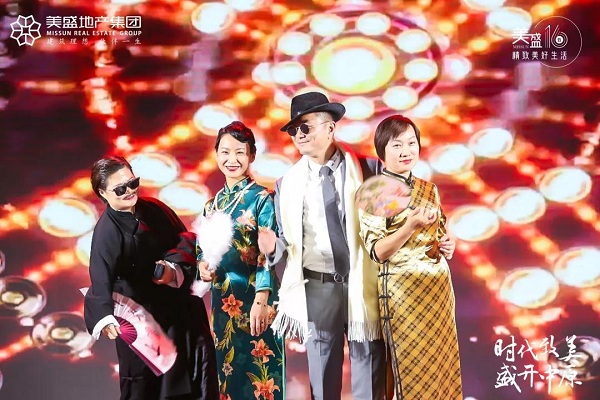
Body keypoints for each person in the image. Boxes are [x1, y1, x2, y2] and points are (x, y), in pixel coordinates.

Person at [258, 92, 386, 400]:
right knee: (322, 376)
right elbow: (287, 243)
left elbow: (395, 222)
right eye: (294, 129)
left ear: (330, 128)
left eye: (306, 126)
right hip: (318, 286)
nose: (299, 135)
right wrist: (273, 248)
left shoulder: (370, 170)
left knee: (369, 371)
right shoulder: (286, 185)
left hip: (363, 281)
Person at [84, 156, 219, 400]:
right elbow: (100, 275)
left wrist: (172, 268)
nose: (129, 191)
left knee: (195, 374)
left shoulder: (155, 208)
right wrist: (103, 316)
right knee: (145, 386)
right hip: (142, 320)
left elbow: (186, 240)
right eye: (120, 189)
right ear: (103, 193)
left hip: (178, 308)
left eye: (132, 183)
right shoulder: (106, 231)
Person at [357, 115, 463, 399]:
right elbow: (378, 251)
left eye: (411, 143)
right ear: (382, 150)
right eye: (397, 145)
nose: (406, 151)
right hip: (403, 294)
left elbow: (439, 233)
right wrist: (409, 226)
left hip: (438, 291)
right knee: (412, 373)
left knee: (443, 367)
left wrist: (447, 244)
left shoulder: (429, 188)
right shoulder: (375, 191)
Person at [197, 121, 284, 400]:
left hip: (255, 298)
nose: (231, 159)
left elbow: (267, 253)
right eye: (225, 152)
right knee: (228, 379)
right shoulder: (212, 205)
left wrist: (262, 298)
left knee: (262, 378)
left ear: (252, 155)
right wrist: (201, 266)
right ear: (216, 154)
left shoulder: (262, 199)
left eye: (239, 152)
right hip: (223, 303)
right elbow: (202, 250)